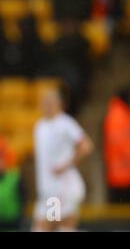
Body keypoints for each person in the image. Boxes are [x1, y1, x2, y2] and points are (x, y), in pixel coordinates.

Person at [32, 88, 94, 232]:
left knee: (52, 226)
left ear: (59, 104)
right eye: (44, 102)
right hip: (47, 190)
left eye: (50, 102)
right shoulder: (40, 126)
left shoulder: (65, 123)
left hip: (62, 188)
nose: (46, 105)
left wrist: (66, 166)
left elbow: (86, 146)